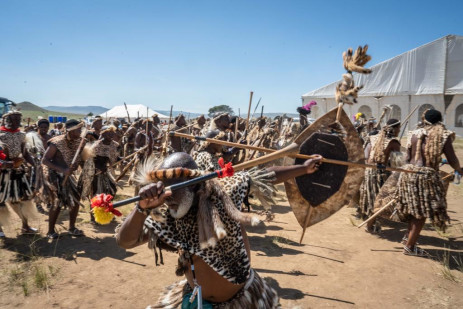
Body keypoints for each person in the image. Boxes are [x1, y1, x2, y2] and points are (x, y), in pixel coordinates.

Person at [116, 152, 322, 308]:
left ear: (193, 185)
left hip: (242, 300)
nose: (166, 196)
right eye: (163, 188)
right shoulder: (167, 214)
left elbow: (264, 176)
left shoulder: (225, 195)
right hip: (196, 299)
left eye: (172, 189)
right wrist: (140, 208)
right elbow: (125, 242)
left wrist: (304, 168)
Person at [393, 110, 462, 256]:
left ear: (424, 120)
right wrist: (459, 170)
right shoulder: (442, 134)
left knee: (415, 210)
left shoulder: (414, 133)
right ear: (439, 121)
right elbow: (452, 159)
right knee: (422, 212)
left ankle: (408, 238)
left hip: (408, 173)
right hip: (425, 176)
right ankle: (410, 247)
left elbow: (406, 158)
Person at [42, 119, 85, 239]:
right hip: (54, 175)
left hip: (68, 175)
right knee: (57, 202)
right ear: (70, 130)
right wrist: (63, 170)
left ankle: (72, 227)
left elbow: (79, 158)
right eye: (78, 130)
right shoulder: (57, 142)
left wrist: (76, 165)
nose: (80, 132)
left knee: (75, 200)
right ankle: (50, 231)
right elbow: (44, 160)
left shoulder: (80, 142)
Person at [0, 111, 38, 240]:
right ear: (6, 120)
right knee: (1, 200)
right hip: (2, 172)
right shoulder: (0, 134)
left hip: (18, 171)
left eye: (18, 119)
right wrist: (8, 163)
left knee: (24, 199)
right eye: (14, 119)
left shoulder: (21, 135)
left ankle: (25, 226)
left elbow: (25, 152)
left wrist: (33, 164)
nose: (16, 122)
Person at [359, 119, 402, 232]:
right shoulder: (393, 142)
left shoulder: (373, 137)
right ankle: (369, 225)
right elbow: (397, 164)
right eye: (399, 128)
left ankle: (370, 224)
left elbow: (366, 154)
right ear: (394, 129)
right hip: (380, 174)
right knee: (379, 201)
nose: (400, 130)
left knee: (372, 200)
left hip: (368, 171)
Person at [79, 126, 120, 223]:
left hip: (105, 171)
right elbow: (90, 159)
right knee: (96, 193)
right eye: (108, 133)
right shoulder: (96, 145)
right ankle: (94, 216)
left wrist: (120, 160)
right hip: (94, 172)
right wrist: (98, 168)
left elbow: (113, 158)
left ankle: (106, 212)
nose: (111, 135)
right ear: (103, 134)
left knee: (111, 190)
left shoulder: (114, 145)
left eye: (112, 134)